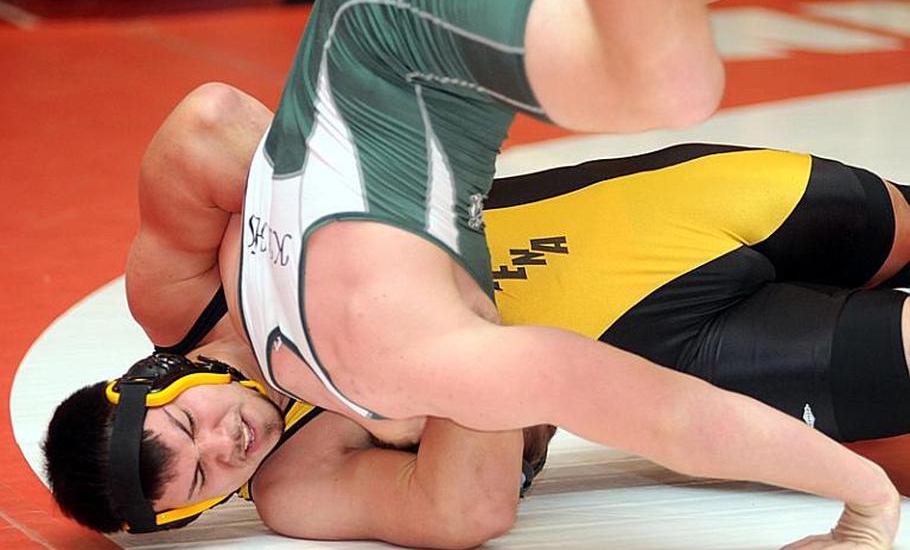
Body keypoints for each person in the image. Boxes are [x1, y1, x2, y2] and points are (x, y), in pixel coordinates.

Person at [45, 81, 909, 547]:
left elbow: (209, 122)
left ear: (155, 378)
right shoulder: (299, 489)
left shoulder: (187, 300)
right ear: (203, 514)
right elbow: (469, 512)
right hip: (680, 346)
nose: (226, 444)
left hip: (658, 205)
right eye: (204, 479)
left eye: (187, 425)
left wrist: (371, 376)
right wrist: (376, 379)